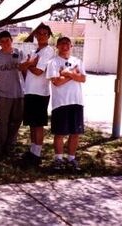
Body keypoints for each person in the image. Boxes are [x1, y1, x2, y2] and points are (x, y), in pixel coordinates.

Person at [46, 37, 86, 171]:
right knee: (60, 133)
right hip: (60, 103)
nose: (65, 46)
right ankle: (58, 159)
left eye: (67, 44)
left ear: (71, 46)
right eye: (62, 43)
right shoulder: (53, 62)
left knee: (75, 133)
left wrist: (66, 73)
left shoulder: (77, 61)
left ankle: (71, 158)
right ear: (57, 46)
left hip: (77, 101)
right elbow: (56, 82)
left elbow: (83, 78)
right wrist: (73, 74)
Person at [21, 23, 56, 167]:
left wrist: (29, 64)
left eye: (45, 34)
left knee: (38, 124)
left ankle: (37, 154)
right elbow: (21, 67)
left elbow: (38, 71)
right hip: (29, 91)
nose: (41, 36)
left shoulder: (48, 51)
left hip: (40, 93)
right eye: (39, 33)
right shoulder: (36, 51)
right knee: (31, 124)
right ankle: (32, 150)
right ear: (35, 35)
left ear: (48, 36)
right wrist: (29, 63)